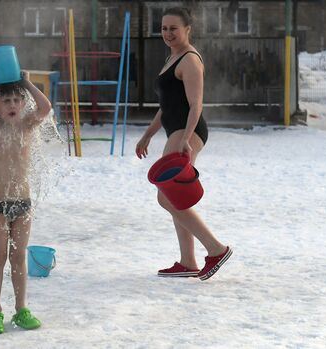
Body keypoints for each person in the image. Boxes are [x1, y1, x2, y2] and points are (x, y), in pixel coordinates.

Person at [135, 7, 232, 281]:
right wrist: (148, 134)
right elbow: (166, 106)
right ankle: (188, 260)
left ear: (187, 29)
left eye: (173, 28)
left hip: (187, 131)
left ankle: (215, 248)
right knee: (172, 196)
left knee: (167, 196)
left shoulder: (189, 60)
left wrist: (187, 139)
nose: (167, 33)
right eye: (164, 28)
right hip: (175, 130)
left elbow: (195, 104)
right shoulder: (172, 57)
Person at [0, 70, 52, 333]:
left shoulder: (27, 125)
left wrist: (27, 83)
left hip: (23, 204)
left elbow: (46, 107)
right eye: (5, 101)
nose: (11, 105)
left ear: (23, 104)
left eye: (16, 100)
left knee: (18, 256)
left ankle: (21, 308)